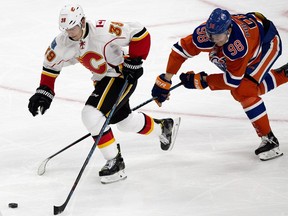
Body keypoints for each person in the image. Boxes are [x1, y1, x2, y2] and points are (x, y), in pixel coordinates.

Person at [28, 4, 181, 184]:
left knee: (91, 115)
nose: (70, 32)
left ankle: (115, 162)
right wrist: (45, 91)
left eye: (73, 27)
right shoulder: (63, 42)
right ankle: (163, 128)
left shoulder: (103, 30)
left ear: (83, 21)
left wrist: (136, 60)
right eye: (66, 29)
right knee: (124, 122)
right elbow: (50, 64)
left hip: (121, 76)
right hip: (103, 82)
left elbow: (139, 32)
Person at [151, 8, 287, 161]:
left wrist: (202, 81)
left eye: (217, 36)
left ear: (228, 30)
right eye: (210, 34)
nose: (213, 39)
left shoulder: (238, 45)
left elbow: (232, 81)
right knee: (249, 88)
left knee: (243, 91)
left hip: (266, 45)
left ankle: (270, 140)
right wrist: (166, 79)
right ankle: (285, 74)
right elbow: (180, 50)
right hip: (251, 36)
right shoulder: (207, 34)